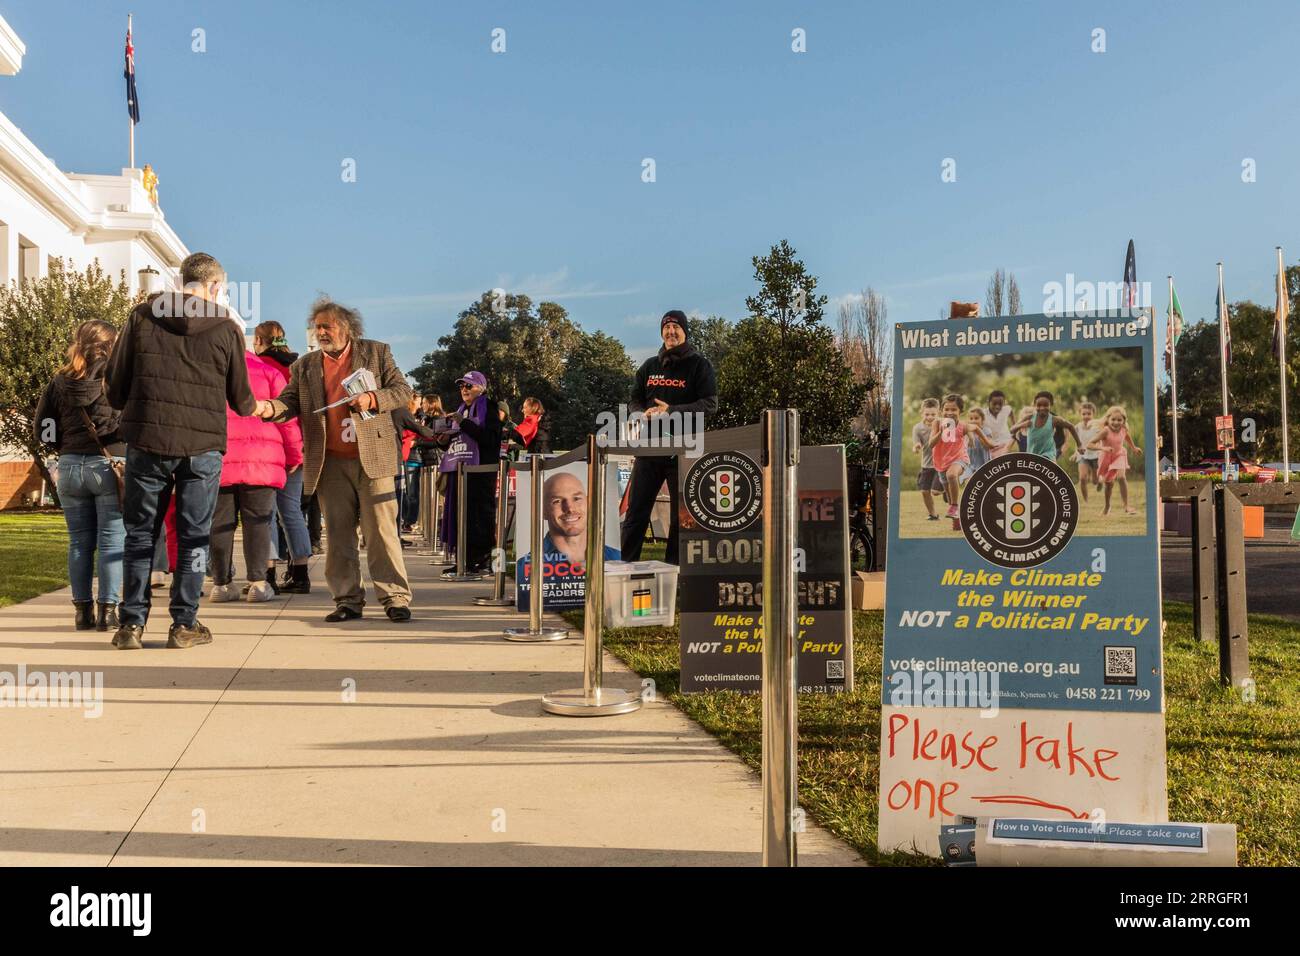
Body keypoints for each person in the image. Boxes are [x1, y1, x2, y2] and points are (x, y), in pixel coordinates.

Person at [104, 252, 264, 650]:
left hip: (147, 440)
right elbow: (242, 400)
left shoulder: (141, 316)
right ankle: (184, 624)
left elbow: (115, 385)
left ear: (182, 281)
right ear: (214, 287)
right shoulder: (226, 327)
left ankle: (131, 626)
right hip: (201, 445)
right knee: (194, 537)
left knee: (140, 536)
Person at [260, 298, 414, 622]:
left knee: (381, 532)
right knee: (339, 535)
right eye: (317, 327)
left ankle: (395, 598)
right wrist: (269, 408)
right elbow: (289, 401)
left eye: (326, 326)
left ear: (346, 327)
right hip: (329, 461)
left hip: (372, 457)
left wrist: (372, 397)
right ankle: (347, 600)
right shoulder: (304, 366)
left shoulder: (377, 352)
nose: (320, 332)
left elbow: (403, 391)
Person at [34, 321, 126, 631]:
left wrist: (65, 446)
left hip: (70, 467)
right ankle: (108, 612)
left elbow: (43, 428)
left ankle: (82, 612)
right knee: (112, 544)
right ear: (112, 346)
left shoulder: (60, 381)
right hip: (109, 465)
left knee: (79, 544)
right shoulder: (117, 381)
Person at [621, 310, 717, 563]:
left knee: (680, 517)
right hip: (649, 449)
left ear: (685, 331)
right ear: (661, 332)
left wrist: (671, 411)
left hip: (684, 450)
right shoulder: (649, 366)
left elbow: (709, 404)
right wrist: (640, 413)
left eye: (676, 327)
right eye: (666, 327)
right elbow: (634, 399)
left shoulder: (699, 364)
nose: (671, 332)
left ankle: (673, 573)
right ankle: (624, 568)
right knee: (635, 514)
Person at [208, 346, 303, 603]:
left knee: (220, 523)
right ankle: (258, 583)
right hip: (263, 458)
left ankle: (221, 583)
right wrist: (295, 455)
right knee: (258, 522)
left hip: (220, 456)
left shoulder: (211, 371)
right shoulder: (270, 373)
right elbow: (286, 417)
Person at [253, 321, 313, 593]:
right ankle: (301, 572)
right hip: (299, 446)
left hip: (266, 448)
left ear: (258, 340)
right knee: (292, 511)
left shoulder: (257, 367)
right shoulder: (297, 368)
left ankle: (267, 575)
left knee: (265, 513)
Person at [438, 371, 503, 576]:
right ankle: (464, 559)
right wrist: (444, 439)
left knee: (480, 515)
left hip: (481, 471)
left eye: (469, 386)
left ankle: (482, 560)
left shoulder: (488, 407)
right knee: (461, 514)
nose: (464, 390)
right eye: (461, 386)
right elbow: (459, 439)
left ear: (481, 388)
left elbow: (490, 440)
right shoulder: (460, 410)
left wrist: (464, 423)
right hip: (461, 470)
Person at [929, 394, 993, 522]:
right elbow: (931, 444)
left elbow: (975, 427)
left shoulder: (963, 426)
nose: (949, 412)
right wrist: (941, 432)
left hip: (960, 459)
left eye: (954, 409)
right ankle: (956, 519)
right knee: (949, 497)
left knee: (952, 475)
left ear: (960, 411)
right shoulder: (937, 423)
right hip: (941, 462)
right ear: (942, 411)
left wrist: (984, 441)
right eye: (946, 409)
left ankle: (954, 506)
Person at [392, 394, 438, 539]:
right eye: (418, 402)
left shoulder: (394, 411)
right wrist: (440, 435)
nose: (419, 406)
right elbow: (419, 430)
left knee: (402, 495)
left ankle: (398, 532)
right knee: (400, 496)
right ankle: (397, 535)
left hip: (400, 459)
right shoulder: (403, 412)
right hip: (399, 459)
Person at [1089, 405, 1142, 516]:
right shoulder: (1105, 431)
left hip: (1120, 455)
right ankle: (1107, 505)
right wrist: (1103, 448)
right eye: (1113, 419)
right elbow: (1090, 444)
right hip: (1106, 458)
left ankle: (1126, 506)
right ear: (1108, 420)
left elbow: (1127, 437)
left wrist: (1133, 448)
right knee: (1109, 484)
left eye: (1119, 420)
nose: (1116, 422)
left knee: (1122, 477)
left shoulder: (1123, 429)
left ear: (1123, 421)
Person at [1010, 391, 1081, 462]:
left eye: (1045, 405)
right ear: (1034, 405)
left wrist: (1079, 445)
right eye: (1039, 405)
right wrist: (1022, 425)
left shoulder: (1054, 420)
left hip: (1048, 454)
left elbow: (1070, 426)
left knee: (1046, 462)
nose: (1042, 408)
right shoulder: (1029, 417)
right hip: (1032, 453)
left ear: (1051, 404)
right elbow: (1012, 430)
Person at [911, 398, 946, 521]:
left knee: (935, 492)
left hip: (941, 464)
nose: (930, 417)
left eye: (933, 414)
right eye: (927, 414)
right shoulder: (917, 428)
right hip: (926, 464)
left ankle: (947, 489)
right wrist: (916, 447)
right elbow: (916, 443)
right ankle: (933, 515)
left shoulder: (943, 424)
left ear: (939, 413)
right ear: (922, 413)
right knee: (925, 491)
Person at [1073, 401, 1104, 502]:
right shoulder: (1077, 427)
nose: (1086, 416)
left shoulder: (1097, 426)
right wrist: (1075, 452)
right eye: (1084, 414)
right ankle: (1086, 500)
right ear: (1080, 414)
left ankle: (1099, 481)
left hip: (1095, 455)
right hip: (1082, 455)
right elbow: (1077, 442)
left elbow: (1101, 440)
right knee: (1082, 478)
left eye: (1089, 414)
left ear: (1093, 414)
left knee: (1094, 481)